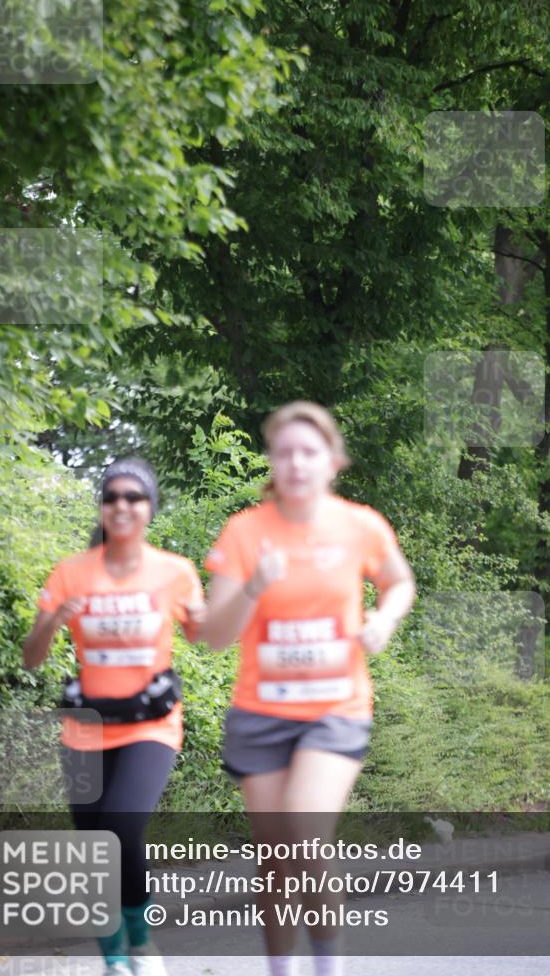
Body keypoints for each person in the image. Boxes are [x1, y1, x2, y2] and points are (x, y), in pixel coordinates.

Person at [201, 402, 416, 976]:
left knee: (304, 833)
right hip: (260, 713)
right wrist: (253, 587)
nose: (296, 463)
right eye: (285, 452)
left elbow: (399, 583)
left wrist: (386, 619)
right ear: (272, 462)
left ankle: (328, 966)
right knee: (274, 860)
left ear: (332, 461)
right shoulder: (245, 533)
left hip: (335, 709)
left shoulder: (360, 525)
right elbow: (215, 636)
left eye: (309, 452)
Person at [23, 458, 204, 976]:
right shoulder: (70, 572)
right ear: (102, 508)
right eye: (112, 497)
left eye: (134, 497)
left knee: (121, 827)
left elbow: (202, 636)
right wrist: (54, 620)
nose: (122, 505)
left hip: (151, 724)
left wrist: (213, 614)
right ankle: (115, 961)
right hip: (87, 727)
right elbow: (30, 656)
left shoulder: (174, 571)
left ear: (149, 508)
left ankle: (140, 939)